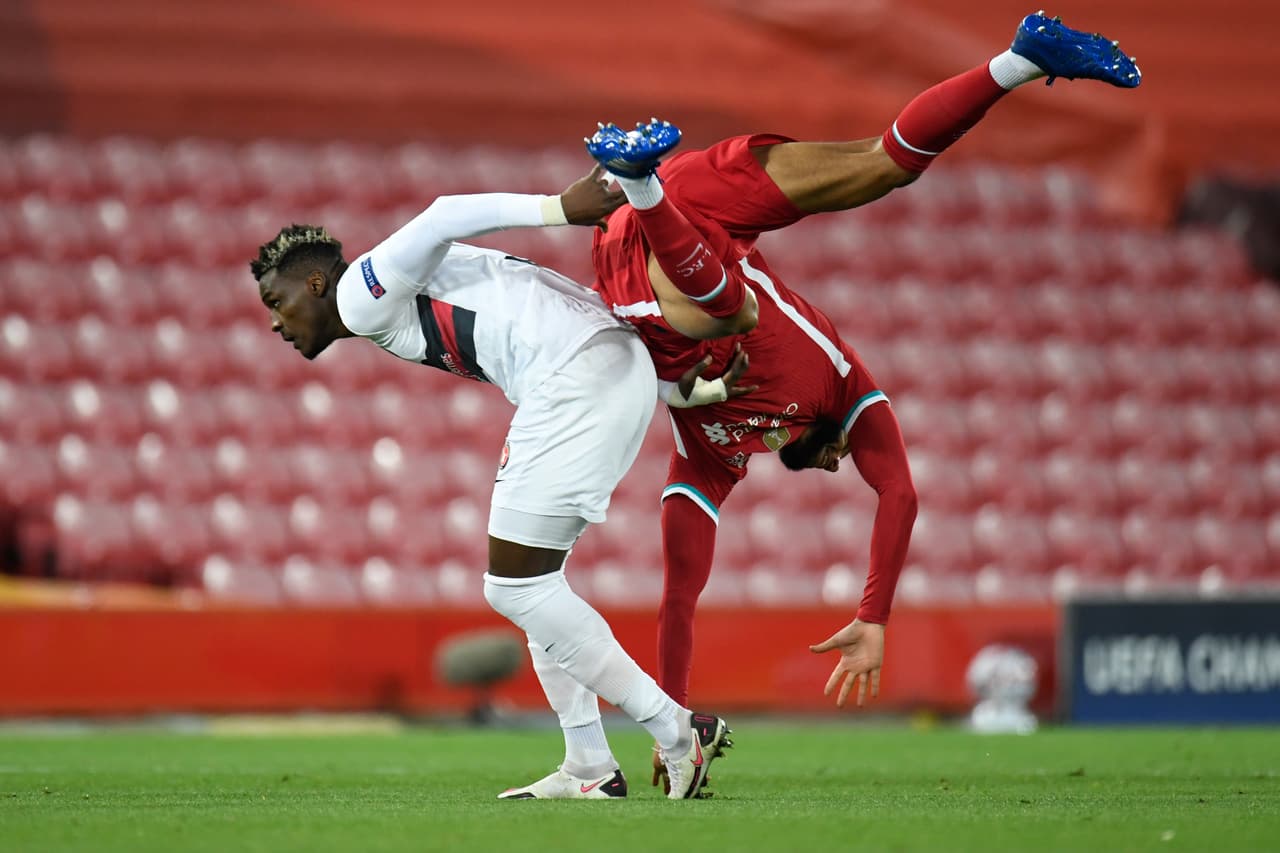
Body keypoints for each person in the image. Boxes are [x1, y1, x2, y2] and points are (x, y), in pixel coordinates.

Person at [578, 11, 1141, 787]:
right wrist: (874, 616)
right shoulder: (843, 386)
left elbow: (681, 589)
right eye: (847, 455)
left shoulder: (722, 449)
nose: (846, 455)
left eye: (835, 457)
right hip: (690, 207)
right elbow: (901, 491)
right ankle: (645, 183)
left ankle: (1017, 61)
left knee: (841, 202)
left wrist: (675, 720)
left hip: (635, 259)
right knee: (771, 268)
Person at [249, 168, 732, 801]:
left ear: (314, 283)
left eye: (278, 304)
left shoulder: (357, 296)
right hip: (613, 366)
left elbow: (444, 213)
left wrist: (560, 208)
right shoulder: (392, 301)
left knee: (514, 587)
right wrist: (675, 389)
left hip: (576, 378)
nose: (278, 325)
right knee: (535, 589)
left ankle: (674, 729)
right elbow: (527, 310)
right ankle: (588, 764)